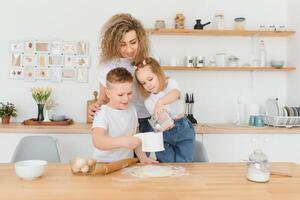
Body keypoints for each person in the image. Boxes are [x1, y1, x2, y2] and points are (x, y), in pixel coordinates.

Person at [89, 13, 153, 134]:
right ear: (113, 44)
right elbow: (103, 99)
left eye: (133, 42)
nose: (129, 50)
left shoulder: (148, 61)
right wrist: (96, 107)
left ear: (140, 40)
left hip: (147, 119)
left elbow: (159, 90)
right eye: (122, 44)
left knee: (142, 153)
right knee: (123, 152)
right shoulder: (108, 66)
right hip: (120, 118)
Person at [134, 57, 196, 162]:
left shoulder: (170, 83)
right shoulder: (148, 101)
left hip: (183, 128)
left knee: (184, 165)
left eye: (150, 79)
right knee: (166, 164)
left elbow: (176, 94)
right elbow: (159, 119)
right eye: (143, 83)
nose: (148, 85)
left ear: (158, 73)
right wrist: (163, 123)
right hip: (164, 135)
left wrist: (160, 102)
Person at [91, 67, 157, 163]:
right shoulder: (102, 113)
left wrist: (143, 158)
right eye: (120, 95)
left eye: (129, 93)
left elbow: (136, 137)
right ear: (108, 93)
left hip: (126, 164)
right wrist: (123, 141)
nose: (126, 99)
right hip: (103, 164)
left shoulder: (132, 110)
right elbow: (98, 141)